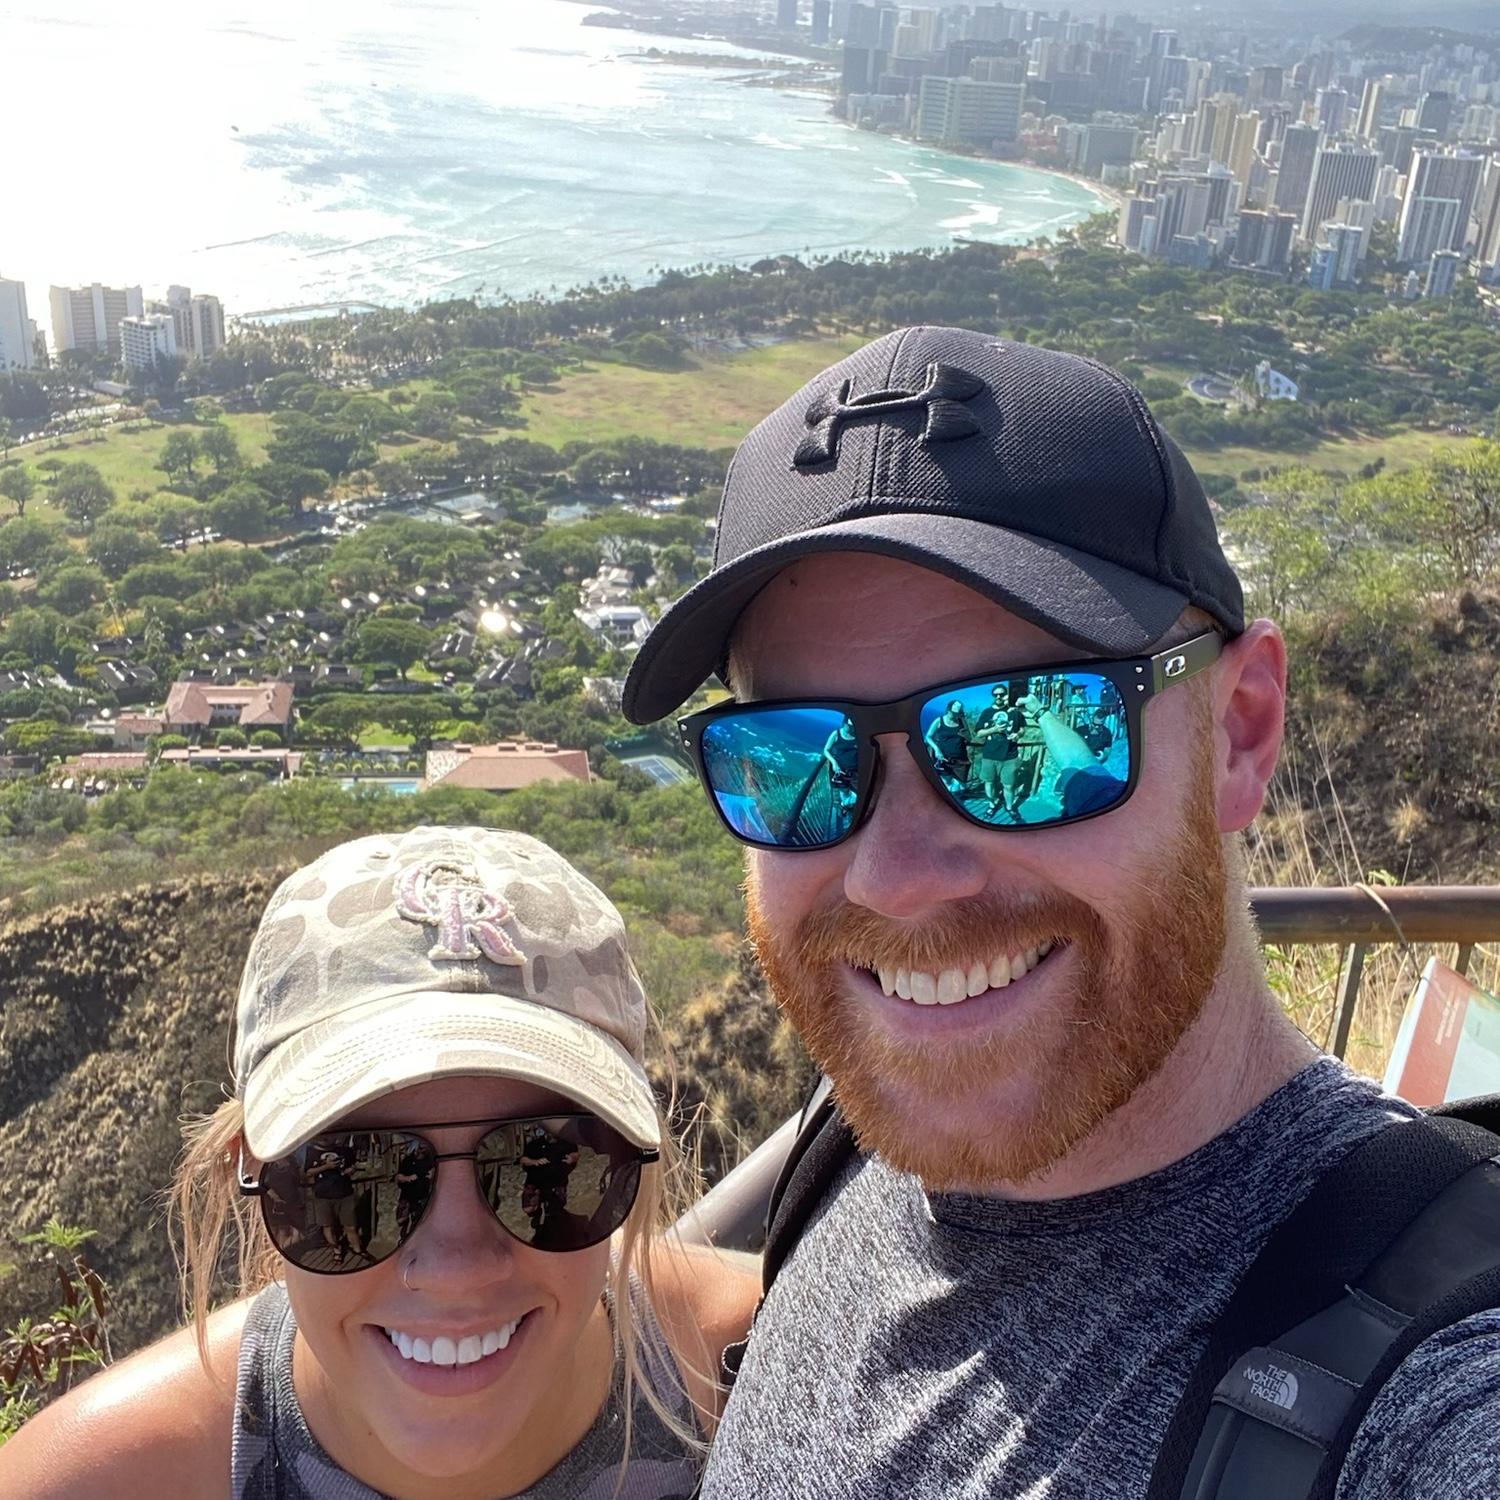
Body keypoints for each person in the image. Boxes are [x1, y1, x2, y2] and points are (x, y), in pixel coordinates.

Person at [621, 327, 1500, 1497]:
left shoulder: (1429, 1391)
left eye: (1031, 733)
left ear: (1240, 732)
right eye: (799, 756)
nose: (894, 877)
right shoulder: (851, 1144)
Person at [1, 825, 758, 1500]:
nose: (456, 1265)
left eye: (545, 1167)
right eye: (351, 1182)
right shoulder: (96, 1481)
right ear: (253, 1178)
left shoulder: (777, 1375)